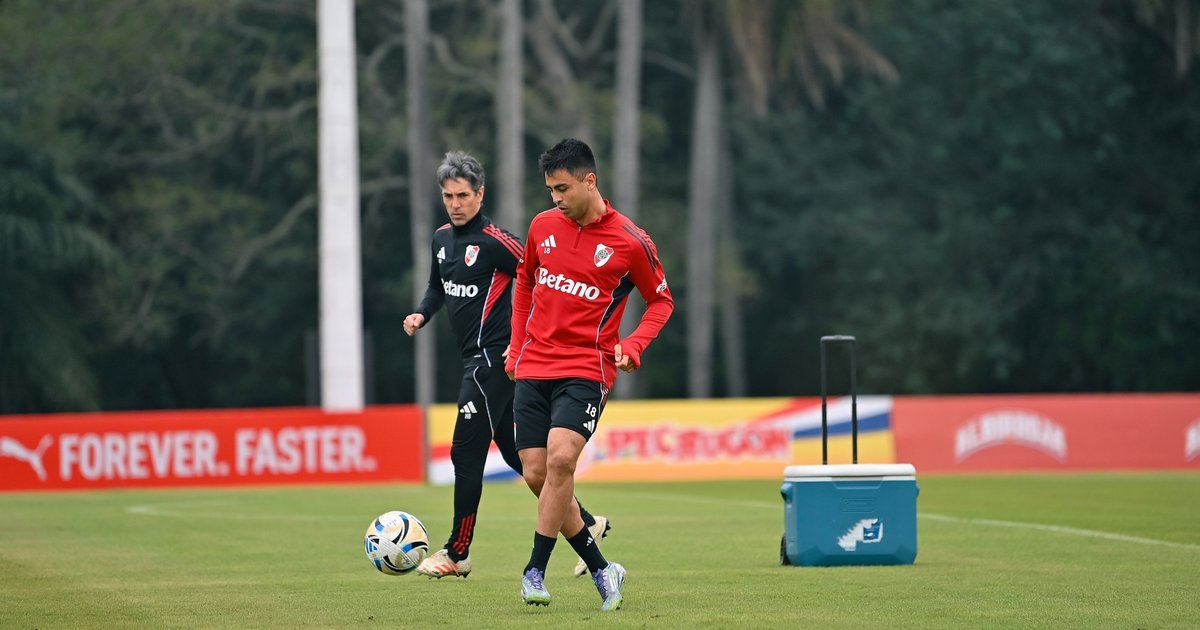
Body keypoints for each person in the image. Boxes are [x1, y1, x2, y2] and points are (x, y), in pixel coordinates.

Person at [404, 150, 610, 579]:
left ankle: (458, 552)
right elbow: (435, 285)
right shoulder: (441, 240)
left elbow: (538, 272)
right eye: (448, 196)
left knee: (465, 452)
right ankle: (586, 521)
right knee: (521, 457)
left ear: (480, 194)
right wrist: (422, 312)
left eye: (463, 195)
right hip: (472, 360)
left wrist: (530, 338)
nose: (455, 203)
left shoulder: (498, 241)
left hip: (495, 360)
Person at [506, 139, 675, 611]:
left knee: (562, 461)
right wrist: (516, 346)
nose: (555, 199)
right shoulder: (543, 226)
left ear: (589, 181)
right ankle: (603, 568)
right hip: (535, 363)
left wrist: (635, 344)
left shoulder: (630, 241)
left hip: (587, 366)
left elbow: (661, 301)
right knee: (538, 475)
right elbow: (524, 283)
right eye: (549, 190)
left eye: (562, 188)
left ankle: (534, 570)